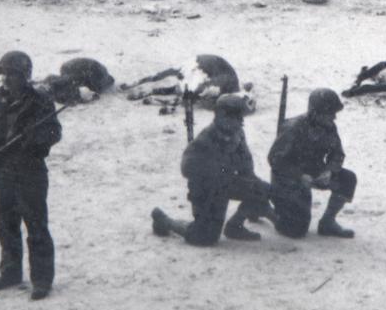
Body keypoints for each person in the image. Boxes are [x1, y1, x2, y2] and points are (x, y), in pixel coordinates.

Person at [0, 51, 63, 301]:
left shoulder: (40, 100)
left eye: (12, 74)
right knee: (6, 225)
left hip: (30, 173)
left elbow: (54, 133)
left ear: (24, 75)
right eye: (3, 73)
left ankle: (41, 280)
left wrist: (32, 137)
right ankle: (10, 272)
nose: (6, 79)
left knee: (36, 226)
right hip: (2, 171)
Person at [151, 94, 278, 246]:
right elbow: (187, 168)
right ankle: (165, 221)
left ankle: (235, 226)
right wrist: (218, 171)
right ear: (222, 117)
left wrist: (263, 190)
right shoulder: (206, 139)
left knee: (262, 189)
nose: (241, 122)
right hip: (206, 190)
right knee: (204, 237)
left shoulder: (237, 134)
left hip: (226, 183)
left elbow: (246, 167)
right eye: (236, 117)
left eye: (240, 117)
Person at [268, 88, 357, 239]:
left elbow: (337, 153)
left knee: (347, 179)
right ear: (316, 112)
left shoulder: (329, 127)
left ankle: (328, 222)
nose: (334, 117)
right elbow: (275, 159)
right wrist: (299, 176)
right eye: (330, 113)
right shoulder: (294, 127)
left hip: (314, 171)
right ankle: (267, 211)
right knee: (295, 231)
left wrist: (329, 171)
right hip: (289, 178)